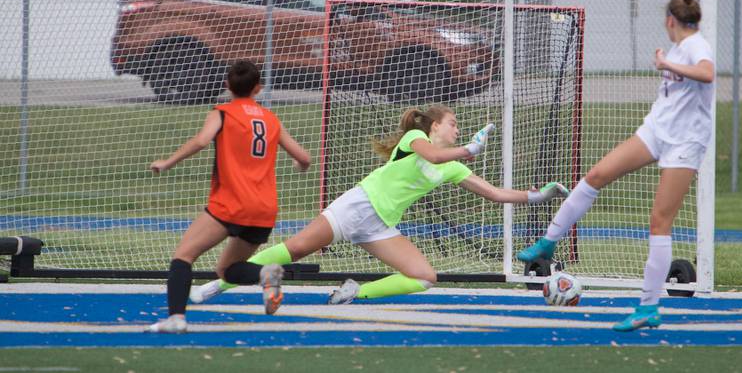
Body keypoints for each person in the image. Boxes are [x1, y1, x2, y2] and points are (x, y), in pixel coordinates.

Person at [190, 104, 568, 307]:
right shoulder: (417, 138)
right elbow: (432, 158)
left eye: (458, 127)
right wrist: (470, 147)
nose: (456, 128)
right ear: (435, 126)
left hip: (379, 226)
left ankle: (356, 292)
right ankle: (218, 284)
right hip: (357, 206)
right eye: (452, 124)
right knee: (293, 250)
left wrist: (539, 196)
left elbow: (495, 194)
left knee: (423, 277)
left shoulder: (452, 164)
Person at [517, 0, 714, 332]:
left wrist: (666, 63)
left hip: (685, 141)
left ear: (672, 20)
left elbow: (707, 73)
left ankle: (649, 308)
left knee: (660, 221)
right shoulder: (680, 44)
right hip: (657, 130)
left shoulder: (695, 45)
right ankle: (547, 243)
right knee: (595, 175)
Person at [145, 60, 311, 333]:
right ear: (258, 88)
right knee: (227, 270)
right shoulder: (270, 119)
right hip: (264, 209)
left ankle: (176, 318)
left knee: (183, 256)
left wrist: (168, 162)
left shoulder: (223, 112)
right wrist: (300, 166)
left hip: (231, 203)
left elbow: (201, 141)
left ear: (227, 85)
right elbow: (304, 157)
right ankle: (264, 274)